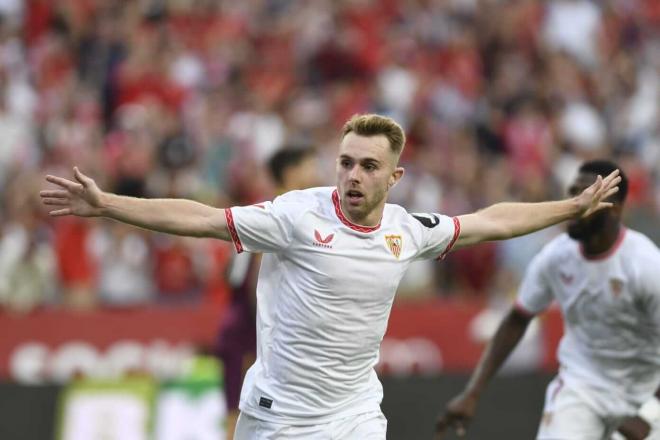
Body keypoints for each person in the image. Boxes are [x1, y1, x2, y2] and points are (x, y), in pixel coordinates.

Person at [41, 114, 620, 439]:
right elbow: (200, 220)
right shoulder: (296, 217)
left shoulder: (405, 230)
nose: (353, 175)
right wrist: (110, 204)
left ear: (395, 176)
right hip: (276, 417)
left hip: (354, 417)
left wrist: (568, 209)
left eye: (369, 166)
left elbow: (489, 222)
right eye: (346, 162)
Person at [436, 160, 660, 440]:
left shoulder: (647, 265)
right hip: (581, 387)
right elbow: (518, 318)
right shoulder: (555, 257)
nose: (576, 204)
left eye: (588, 194)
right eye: (574, 193)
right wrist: (473, 393)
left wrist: (652, 407)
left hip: (643, 391)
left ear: (614, 208)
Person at [217, 146, 320, 438]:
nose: (317, 174)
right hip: (251, 331)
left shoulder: (259, 209)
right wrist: (264, 337)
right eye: (310, 166)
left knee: (240, 412)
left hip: (238, 326)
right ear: (291, 173)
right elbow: (253, 281)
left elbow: (231, 273)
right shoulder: (285, 216)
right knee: (244, 414)